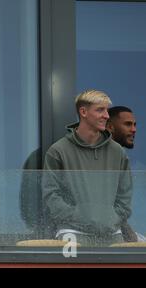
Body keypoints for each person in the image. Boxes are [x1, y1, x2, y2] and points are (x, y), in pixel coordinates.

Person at [42, 90, 132, 246]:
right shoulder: (58, 150)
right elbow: (51, 195)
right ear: (83, 112)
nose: (106, 115)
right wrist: (79, 216)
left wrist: (112, 217)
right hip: (72, 233)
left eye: (106, 110)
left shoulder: (117, 152)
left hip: (112, 233)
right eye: (100, 110)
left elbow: (125, 195)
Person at [106, 106, 145, 242]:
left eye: (134, 125)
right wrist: (133, 241)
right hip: (112, 238)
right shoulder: (100, 163)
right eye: (128, 124)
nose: (134, 130)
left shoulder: (135, 166)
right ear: (110, 127)